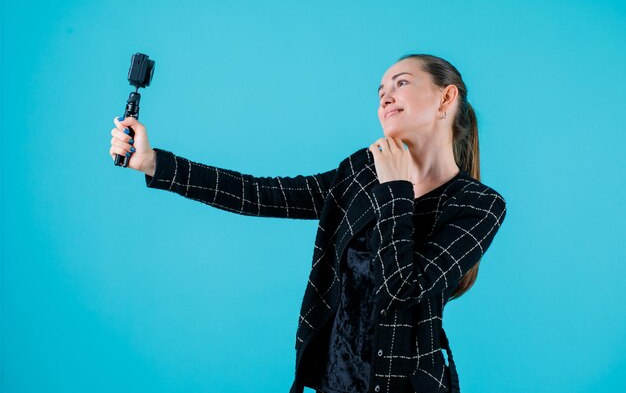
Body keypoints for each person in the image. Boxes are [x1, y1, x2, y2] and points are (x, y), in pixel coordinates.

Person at [109, 53, 507, 393]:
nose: (386, 95)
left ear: (446, 98)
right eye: (381, 90)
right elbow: (260, 195)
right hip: (335, 380)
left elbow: (403, 290)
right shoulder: (360, 173)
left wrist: (397, 189)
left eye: (401, 83)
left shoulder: (479, 205)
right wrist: (154, 162)